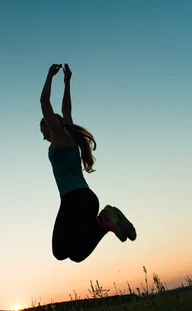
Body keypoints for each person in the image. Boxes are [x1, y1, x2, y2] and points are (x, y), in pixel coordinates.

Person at [40, 63, 136, 263]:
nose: (44, 137)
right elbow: (67, 109)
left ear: (51, 126)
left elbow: (44, 102)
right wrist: (67, 82)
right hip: (88, 201)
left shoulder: (59, 135)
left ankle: (104, 219)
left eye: (43, 132)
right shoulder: (71, 135)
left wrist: (50, 76)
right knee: (75, 252)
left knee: (59, 250)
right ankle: (103, 222)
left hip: (73, 200)